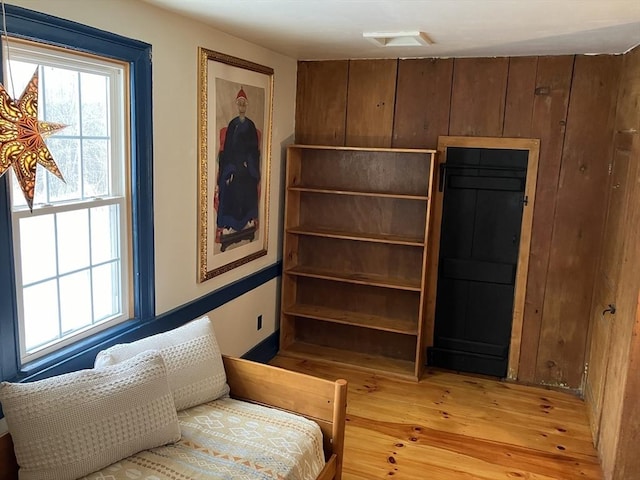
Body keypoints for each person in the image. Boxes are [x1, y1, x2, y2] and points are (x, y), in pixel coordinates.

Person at [215, 87, 261, 244]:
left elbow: (255, 149)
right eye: (239, 103)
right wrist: (229, 170)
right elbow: (227, 149)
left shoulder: (251, 126)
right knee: (230, 187)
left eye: (244, 103)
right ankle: (229, 225)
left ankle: (248, 221)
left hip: (248, 166)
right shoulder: (232, 125)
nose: (242, 106)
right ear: (237, 105)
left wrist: (249, 163)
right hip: (233, 165)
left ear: (246, 105)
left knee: (248, 187)